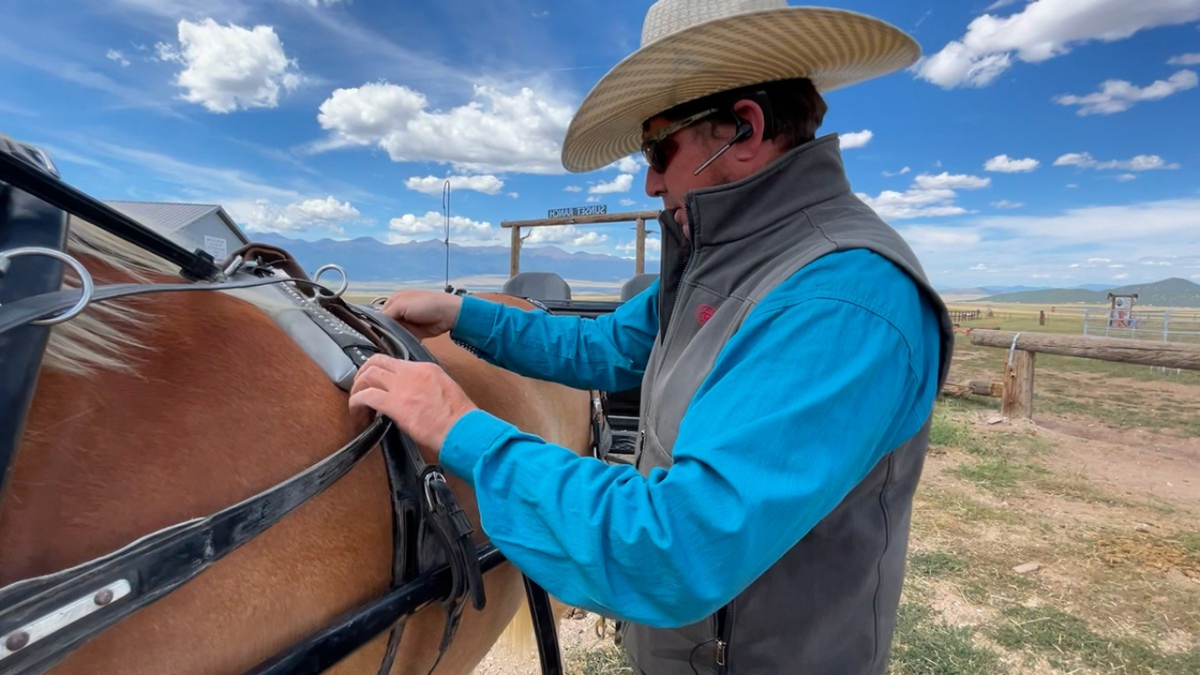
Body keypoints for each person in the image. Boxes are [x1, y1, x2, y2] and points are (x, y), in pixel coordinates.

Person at [349, 1, 955, 673]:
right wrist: (461, 314)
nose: (650, 179)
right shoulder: (718, 265)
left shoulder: (840, 301)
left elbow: (674, 549)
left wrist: (460, 426)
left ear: (745, 128)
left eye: (659, 148)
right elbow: (604, 348)